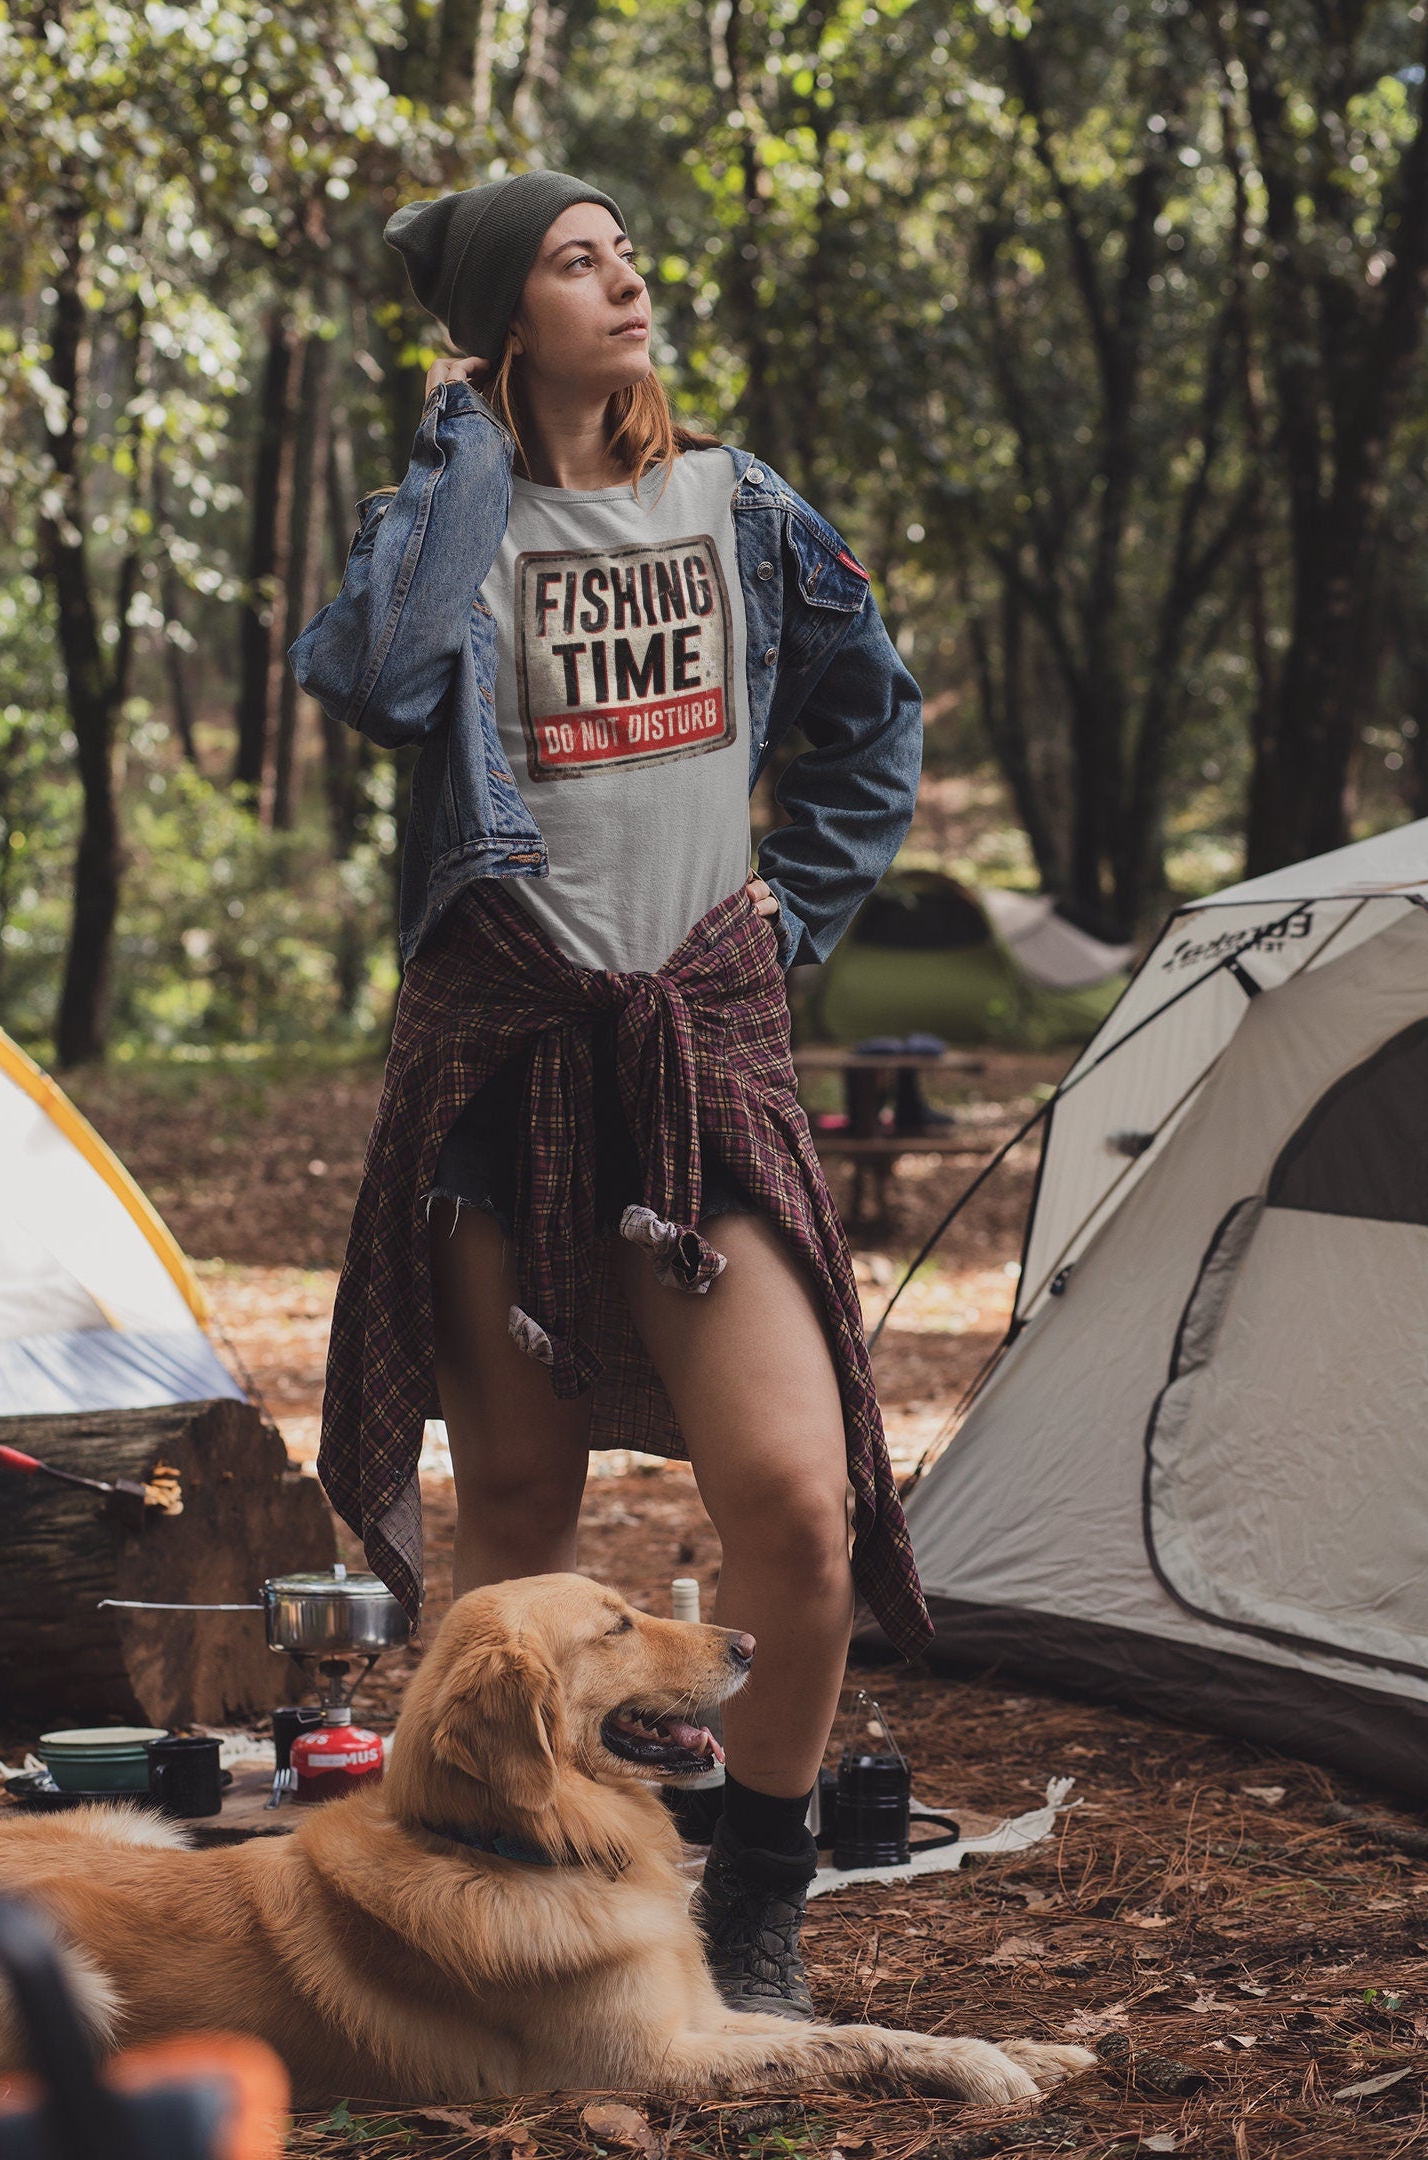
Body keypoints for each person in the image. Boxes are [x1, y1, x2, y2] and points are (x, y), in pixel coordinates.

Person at [288, 169, 930, 2020]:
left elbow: (868, 711)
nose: (628, 280)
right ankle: (507, 1898)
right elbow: (386, 680)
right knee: (511, 1506)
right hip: (504, 1055)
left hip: (699, 1045)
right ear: (506, 322)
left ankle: (755, 1898)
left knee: (799, 1513)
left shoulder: (735, 503)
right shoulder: (434, 532)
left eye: (626, 253)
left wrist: (794, 904)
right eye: (578, 263)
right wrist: (468, 449)